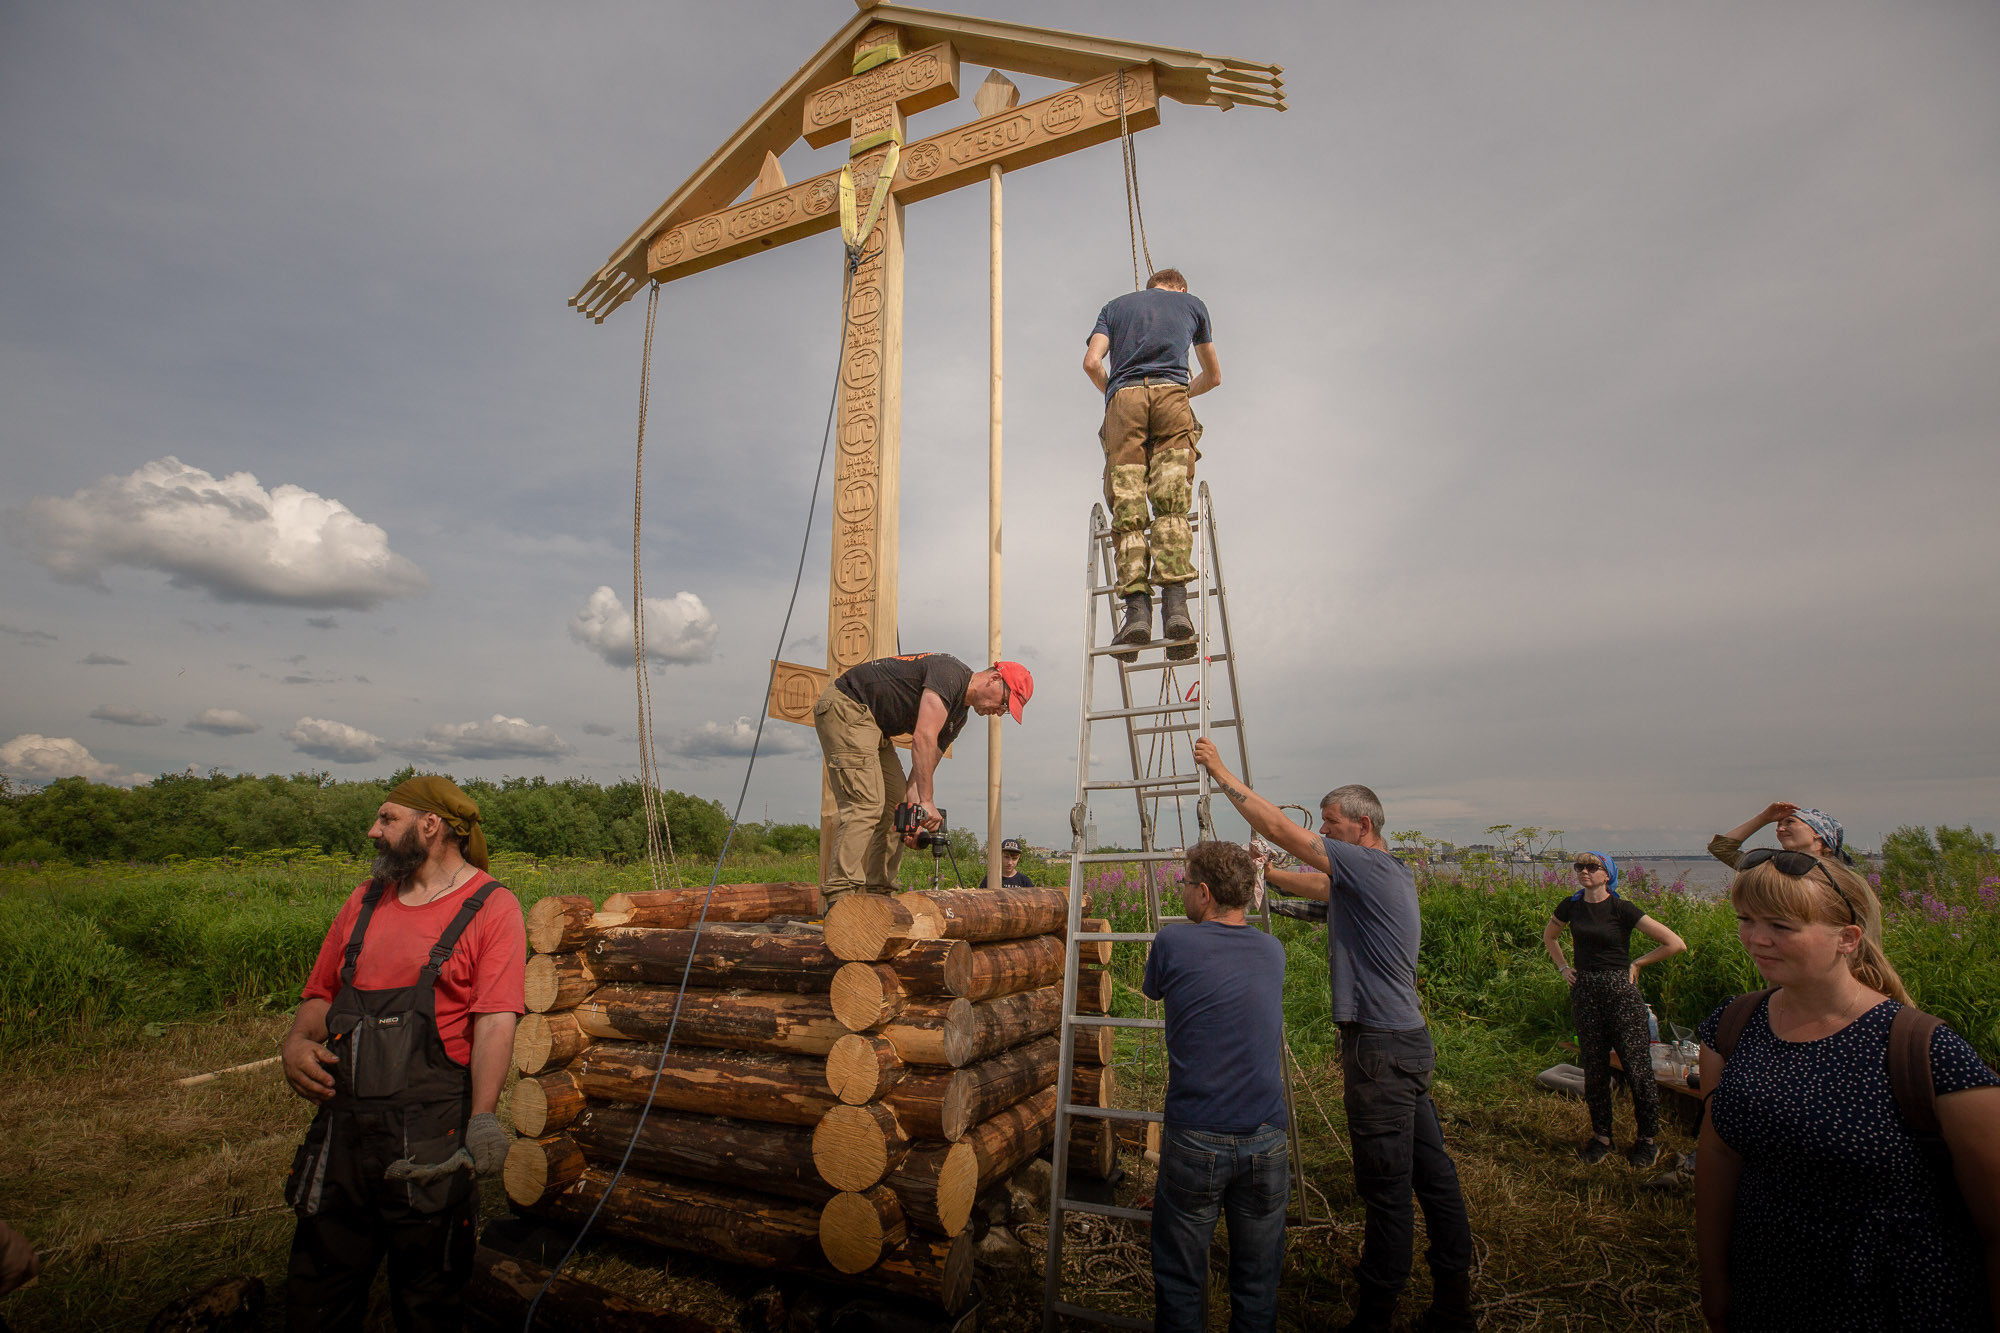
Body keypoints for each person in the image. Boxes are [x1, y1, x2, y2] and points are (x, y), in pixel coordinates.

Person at [1192, 738, 1475, 1333]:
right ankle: (1454, 1304)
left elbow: (1278, 827)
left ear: (1363, 825)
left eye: (1330, 825)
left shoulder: (1368, 863)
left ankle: (1373, 1317)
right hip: (1404, 1045)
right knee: (1434, 1176)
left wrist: (1221, 773)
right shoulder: (1379, 876)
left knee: (1386, 1191)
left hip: (1379, 1051)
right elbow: (1317, 886)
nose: (1322, 832)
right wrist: (1270, 873)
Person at [1695, 851, 2000, 1331]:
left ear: (1848, 938)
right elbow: (1718, 1152)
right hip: (1766, 1292)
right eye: (1746, 919)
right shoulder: (1733, 1024)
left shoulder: (1925, 1051)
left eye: (1781, 926)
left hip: (1894, 1304)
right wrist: (1714, 1279)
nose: (1755, 938)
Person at [280, 776, 526, 1332]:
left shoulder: (491, 906)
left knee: (429, 1297)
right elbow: (323, 993)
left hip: (430, 1130)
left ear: (430, 825)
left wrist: (483, 1117)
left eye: (386, 819)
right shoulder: (362, 902)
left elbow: (494, 1020)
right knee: (317, 1292)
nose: (373, 830)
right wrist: (296, 1042)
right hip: (341, 1129)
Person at [1142, 841, 1290, 1333]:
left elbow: (1154, 989)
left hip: (1196, 1134)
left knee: (1182, 1280)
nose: (1182, 892)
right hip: (1267, 1136)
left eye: (1186, 884)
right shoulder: (1273, 951)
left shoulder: (1172, 942)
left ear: (1204, 893)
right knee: (1256, 1282)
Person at [1082, 268, 1222, 662]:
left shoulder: (1113, 307)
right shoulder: (1192, 305)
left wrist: (1113, 392)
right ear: (1181, 287)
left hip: (1122, 403)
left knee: (1128, 511)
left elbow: (1092, 362)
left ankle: (1137, 615)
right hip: (1172, 399)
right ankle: (1176, 610)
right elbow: (1213, 376)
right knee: (1171, 506)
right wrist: (1182, 392)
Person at [813, 654, 1032, 903]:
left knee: (898, 809)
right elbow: (923, 738)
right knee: (866, 804)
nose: (1001, 712)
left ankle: (879, 895)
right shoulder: (950, 674)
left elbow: (922, 770)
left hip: (874, 727)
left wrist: (915, 817)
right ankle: (841, 898)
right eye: (1005, 702)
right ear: (994, 678)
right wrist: (927, 801)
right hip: (847, 705)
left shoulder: (958, 717)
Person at [1541, 852, 1687, 1167]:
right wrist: (1563, 968)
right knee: (1594, 1069)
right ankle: (1601, 1137)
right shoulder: (1570, 906)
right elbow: (1550, 937)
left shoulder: (1622, 909)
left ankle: (1647, 1141)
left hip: (1621, 994)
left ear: (1607, 874)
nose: (1583, 871)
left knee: (1637, 1070)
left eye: (1591, 866)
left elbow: (1674, 943)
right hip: (1585, 993)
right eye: (1578, 866)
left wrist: (1638, 963)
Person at [1709, 800, 1853, 869]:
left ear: (1818, 833)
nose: (1780, 829)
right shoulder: (1772, 867)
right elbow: (1720, 848)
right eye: (1778, 825)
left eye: (1790, 822)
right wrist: (1763, 818)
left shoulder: (1839, 876)